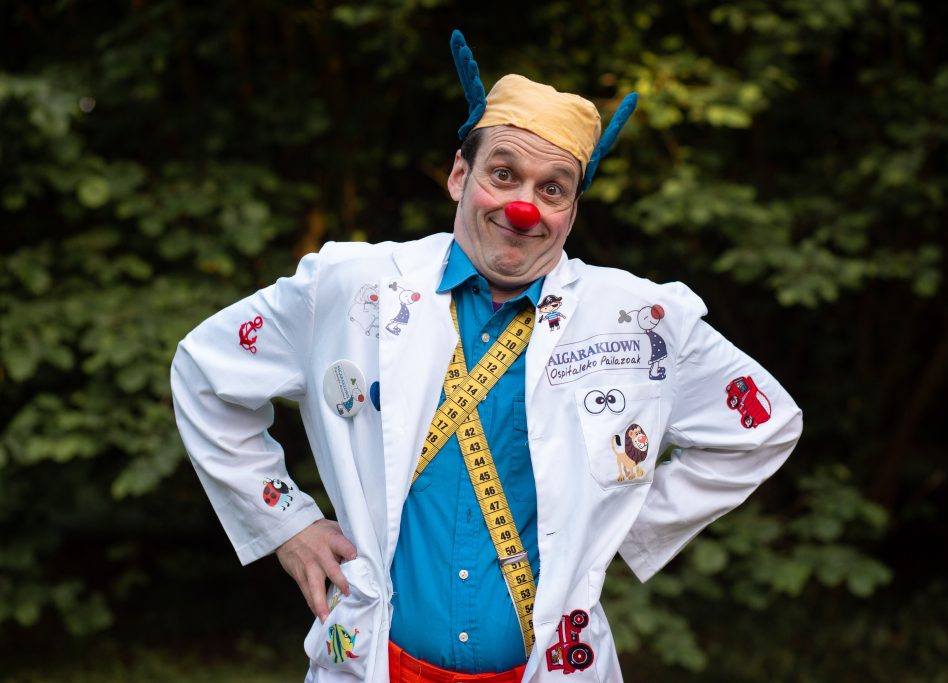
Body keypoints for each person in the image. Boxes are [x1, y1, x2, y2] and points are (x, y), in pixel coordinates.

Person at [170, 30, 802, 683]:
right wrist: (284, 522)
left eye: (553, 188)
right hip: (371, 663)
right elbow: (204, 370)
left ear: (572, 210)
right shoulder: (349, 286)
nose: (523, 207)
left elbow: (763, 425)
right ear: (459, 176)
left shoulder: (641, 322)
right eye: (504, 174)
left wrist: (616, 526)